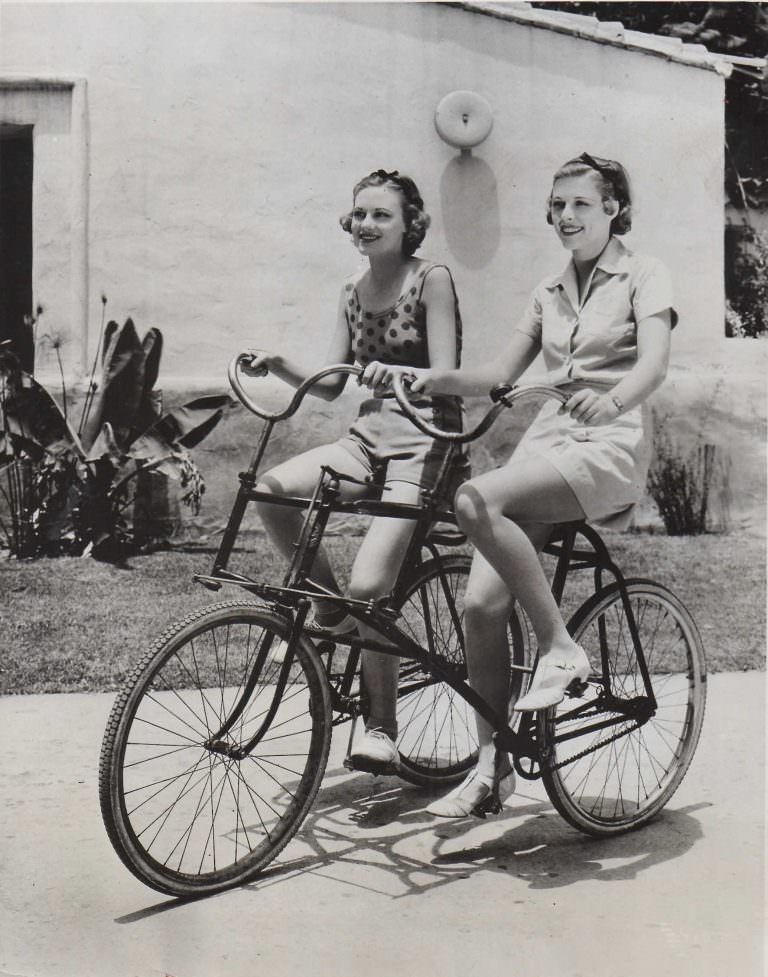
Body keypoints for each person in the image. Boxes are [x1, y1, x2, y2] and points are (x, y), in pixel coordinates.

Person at [397, 152, 677, 817]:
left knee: (475, 498)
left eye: (580, 203)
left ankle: (559, 648)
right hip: (550, 446)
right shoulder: (548, 290)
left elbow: (656, 363)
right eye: (556, 205)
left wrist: (612, 402)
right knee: (479, 608)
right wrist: (425, 378)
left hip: (608, 445)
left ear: (614, 209)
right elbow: (498, 373)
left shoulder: (644, 274)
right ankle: (492, 768)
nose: (565, 216)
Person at [242, 168, 464, 773]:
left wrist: (401, 377)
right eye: (360, 214)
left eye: (381, 215)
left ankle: (383, 729)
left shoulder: (430, 279)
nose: (367, 224)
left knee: (374, 587)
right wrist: (281, 363)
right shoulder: (351, 289)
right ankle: (331, 611)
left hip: (425, 444)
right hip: (368, 439)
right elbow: (332, 383)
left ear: (409, 224)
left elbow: (445, 372)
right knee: (273, 492)